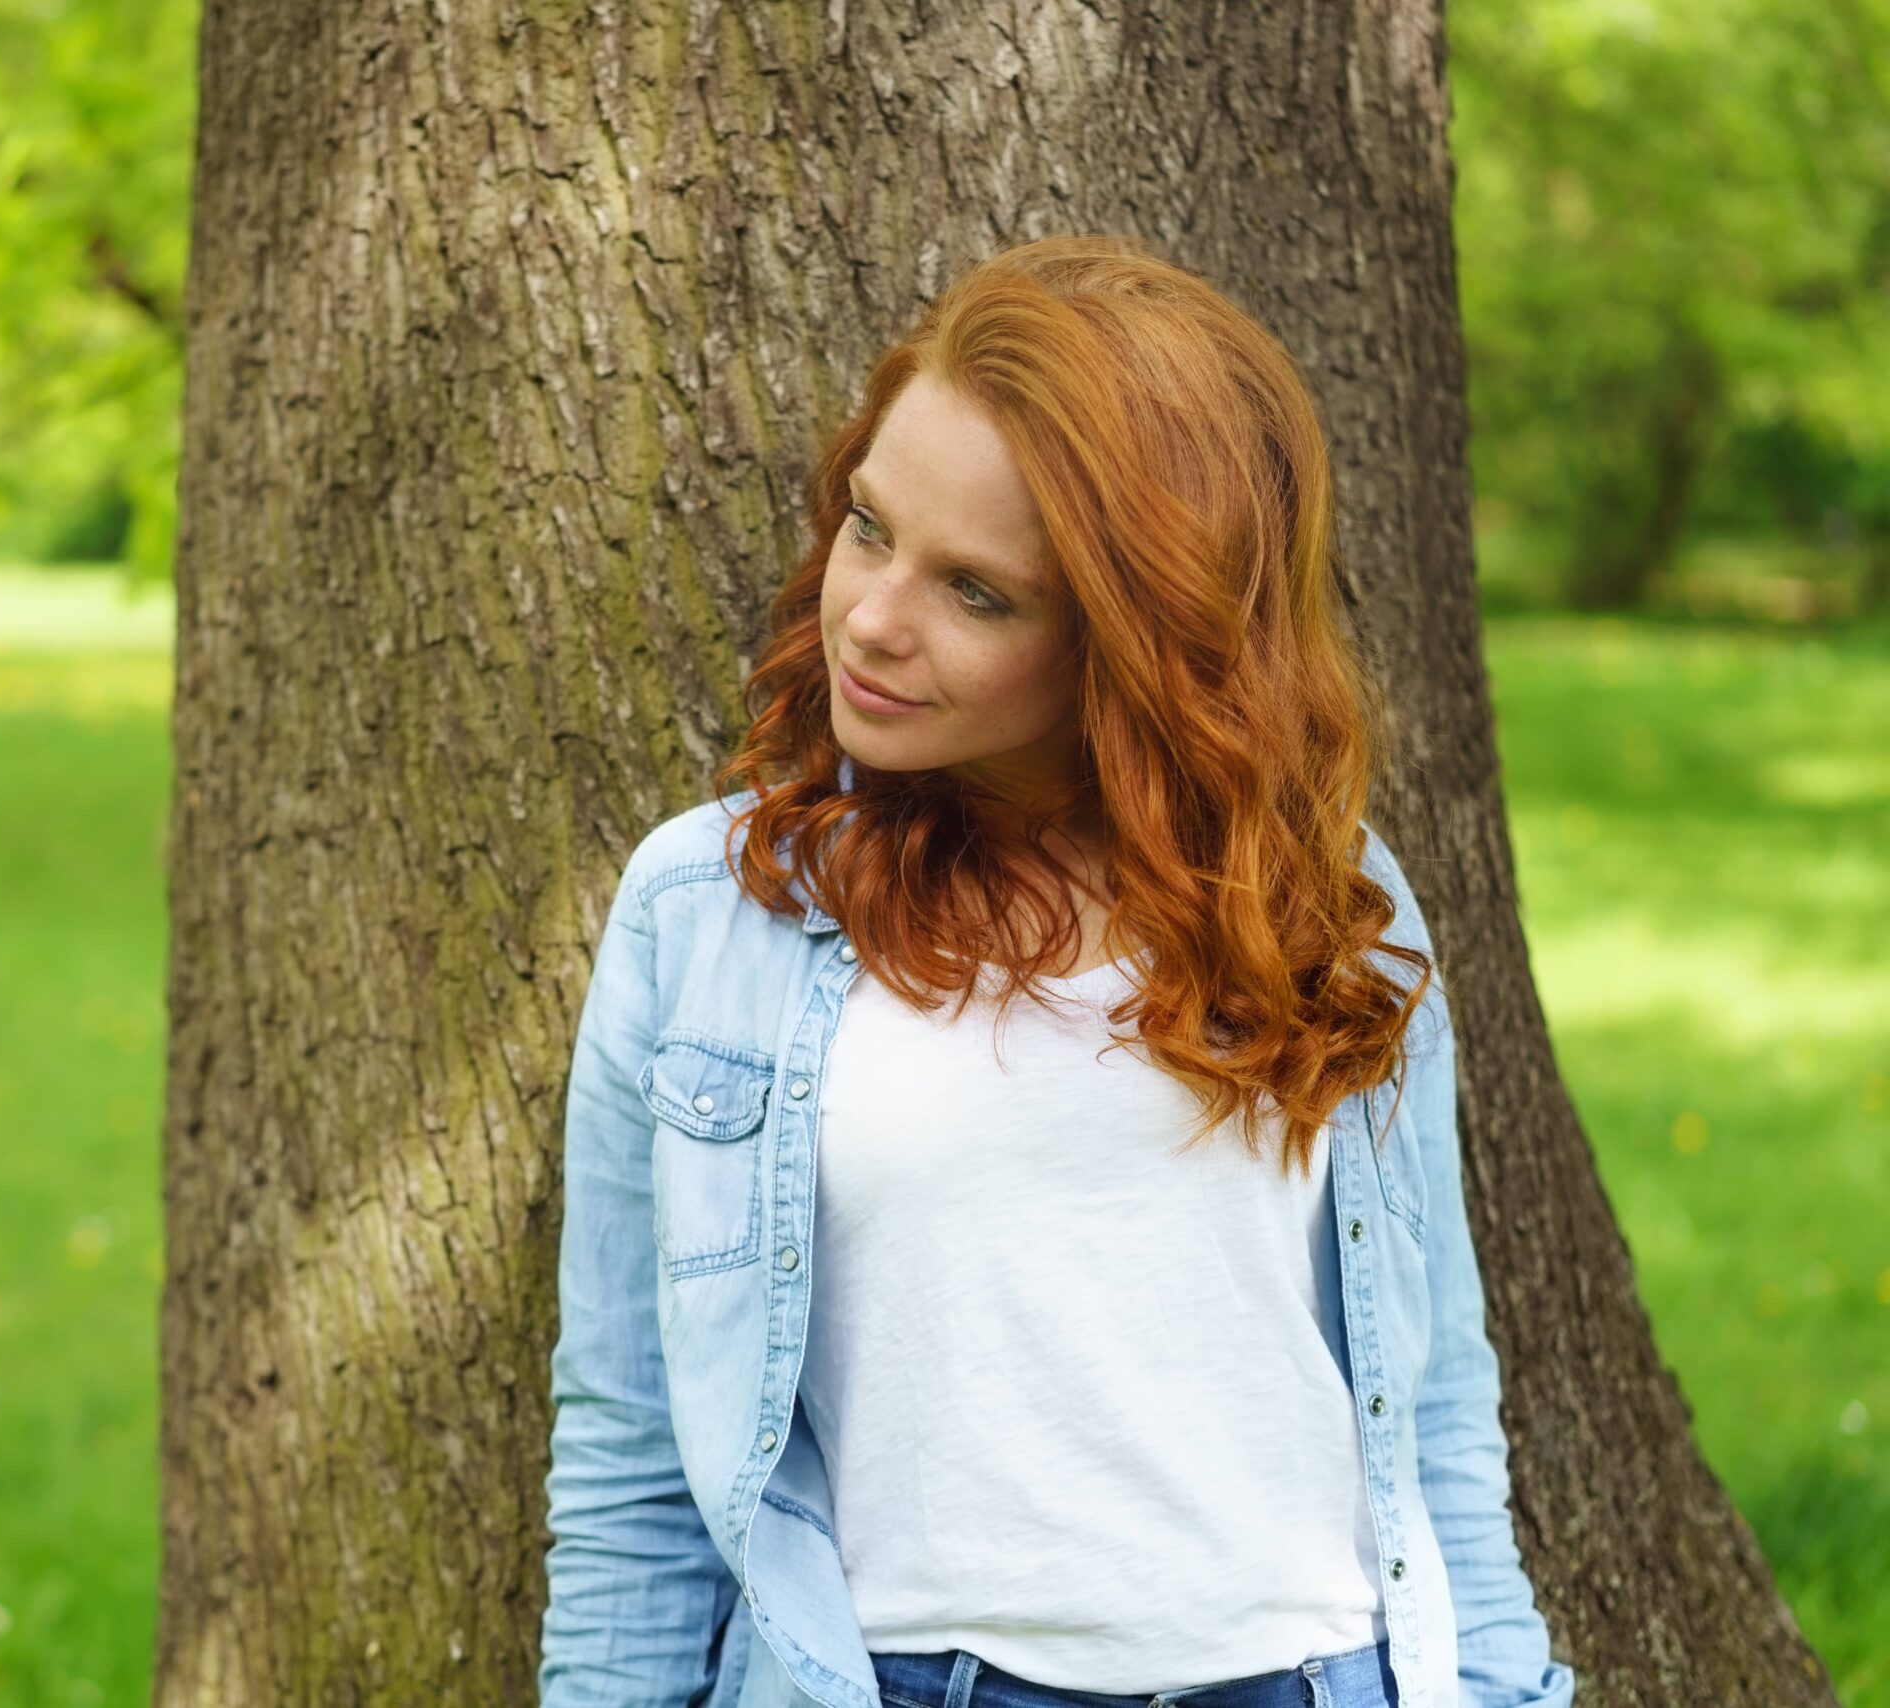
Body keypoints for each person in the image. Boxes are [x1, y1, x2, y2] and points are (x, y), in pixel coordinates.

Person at [536, 236, 1576, 1708]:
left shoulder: (1325, 902)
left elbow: (1438, 1398)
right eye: (868, 527)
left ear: (1137, 640)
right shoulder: (712, 914)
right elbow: (633, 1457)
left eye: (979, 592)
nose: (876, 619)